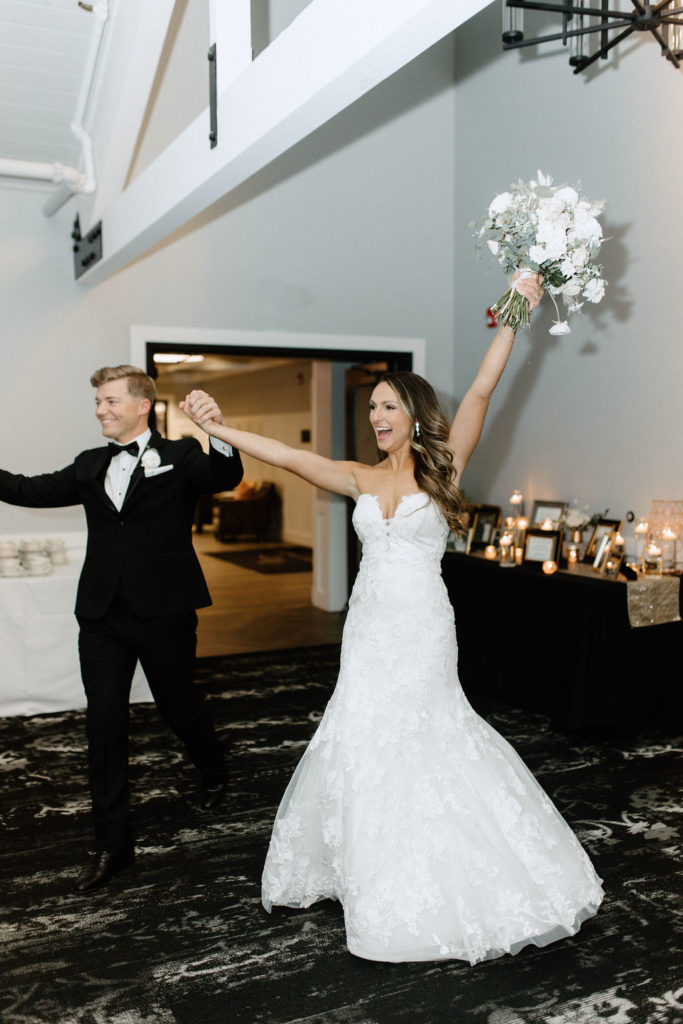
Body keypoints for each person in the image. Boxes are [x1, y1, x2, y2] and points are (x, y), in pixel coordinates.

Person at [181, 272, 604, 963]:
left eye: (387, 406)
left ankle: (448, 865)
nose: (376, 417)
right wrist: (215, 426)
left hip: (421, 626)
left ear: (412, 413)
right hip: (368, 626)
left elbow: (479, 391)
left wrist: (517, 307)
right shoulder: (357, 476)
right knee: (359, 731)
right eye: (371, 407)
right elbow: (290, 456)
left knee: (428, 730)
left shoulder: (443, 468)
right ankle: (366, 865)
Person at [0, 365, 243, 894]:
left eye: (110, 400)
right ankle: (113, 845)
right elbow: (26, 488)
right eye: (97, 402)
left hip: (165, 612)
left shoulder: (180, 457)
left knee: (180, 706)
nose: (100, 410)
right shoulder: (90, 465)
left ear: (141, 405)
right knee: (103, 726)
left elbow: (225, 478)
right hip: (102, 616)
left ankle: (214, 770)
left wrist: (216, 431)